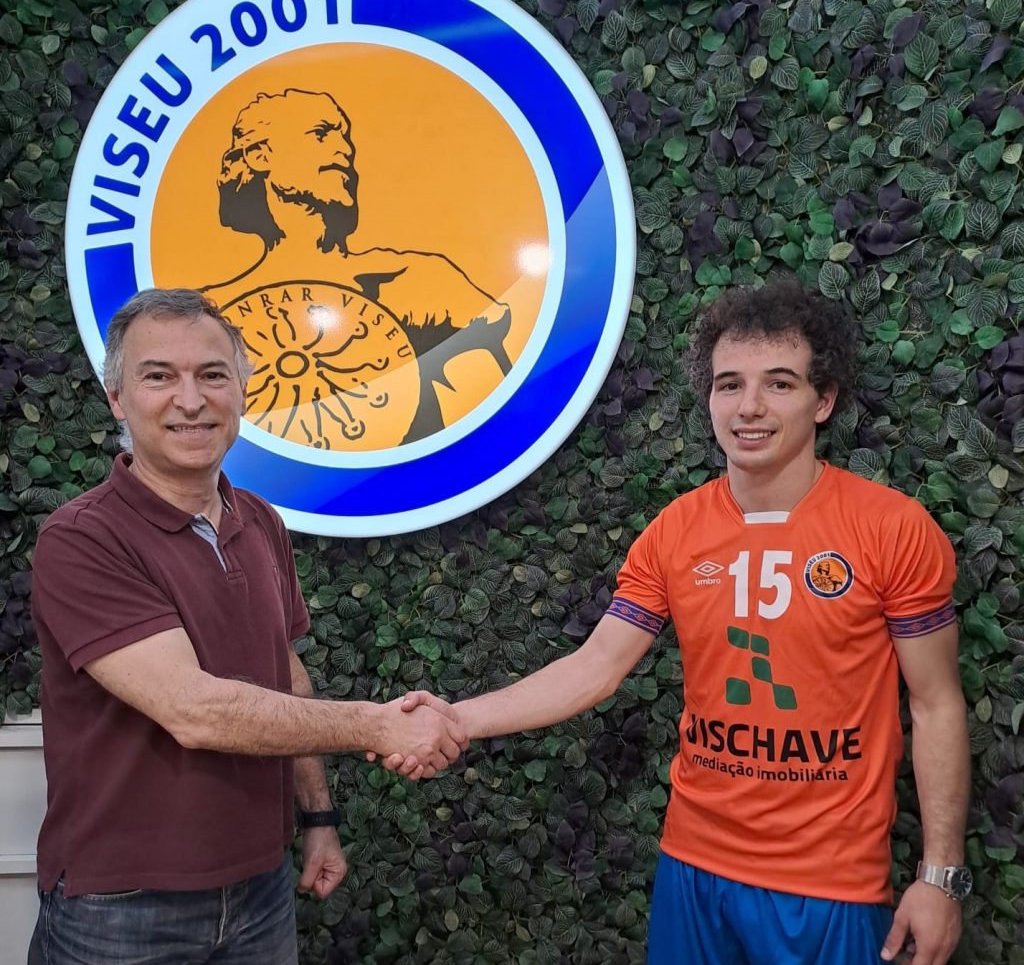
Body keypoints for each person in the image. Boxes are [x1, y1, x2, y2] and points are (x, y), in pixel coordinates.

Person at [393, 278, 971, 965]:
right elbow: (595, 666)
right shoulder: (675, 531)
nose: (749, 407)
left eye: (779, 384)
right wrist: (458, 719)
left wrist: (941, 876)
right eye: (729, 385)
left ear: (823, 401)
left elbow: (936, 704)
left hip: (830, 886)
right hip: (693, 868)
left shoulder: (892, 529)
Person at [28, 288, 466, 965]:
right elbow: (194, 709)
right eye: (158, 376)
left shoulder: (260, 520)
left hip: (262, 888)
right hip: (122, 906)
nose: (191, 400)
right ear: (117, 397)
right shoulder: (83, 539)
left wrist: (318, 817)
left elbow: (284, 671)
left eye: (212, 375)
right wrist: (378, 726)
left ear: (241, 393)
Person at [203, 88, 513, 446]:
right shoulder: (211, 312)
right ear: (260, 156)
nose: (345, 150)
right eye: (321, 134)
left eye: (344, 137)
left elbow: (504, 404)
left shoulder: (417, 278)